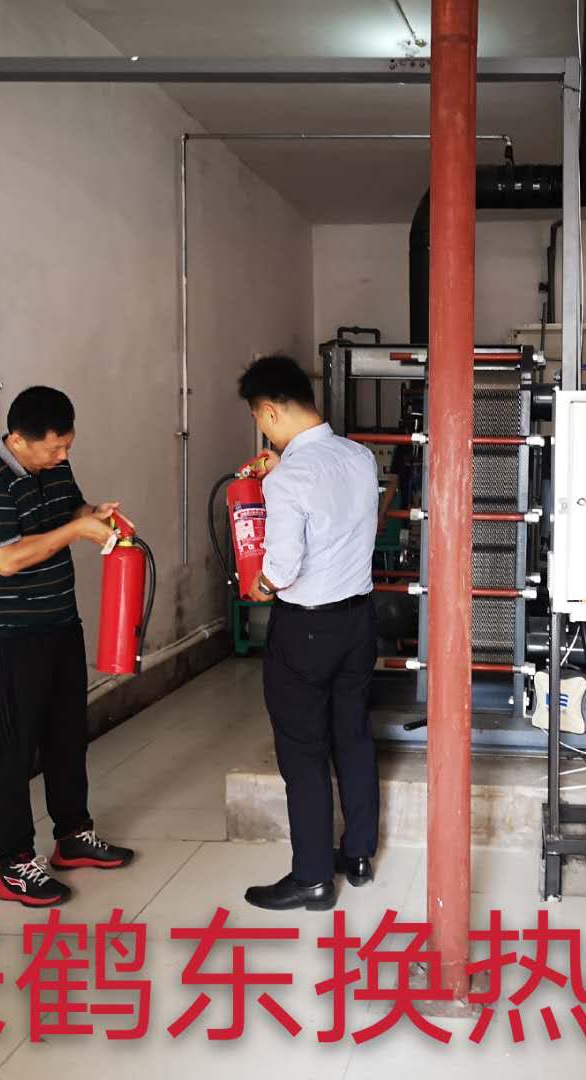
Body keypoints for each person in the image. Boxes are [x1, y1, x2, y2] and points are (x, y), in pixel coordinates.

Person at [0, 386, 135, 906]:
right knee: (15, 749)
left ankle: (73, 835)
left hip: (60, 622)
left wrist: (92, 513)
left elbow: (68, 509)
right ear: (17, 440)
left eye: (68, 446)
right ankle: (13, 865)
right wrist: (77, 530)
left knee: (67, 735)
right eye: (54, 448)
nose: (63, 456)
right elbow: (6, 559)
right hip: (11, 636)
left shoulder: (55, 467)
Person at [237, 354, 381, 911]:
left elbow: (283, 565)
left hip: (307, 629)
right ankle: (359, 854)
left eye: (259, 418)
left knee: (302, 751)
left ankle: (314, 878)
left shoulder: (289, 478)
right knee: (353, 735)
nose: (262, 428)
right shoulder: (359, 456)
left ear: (271, 412)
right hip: (358, 620)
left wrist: (260, 586)